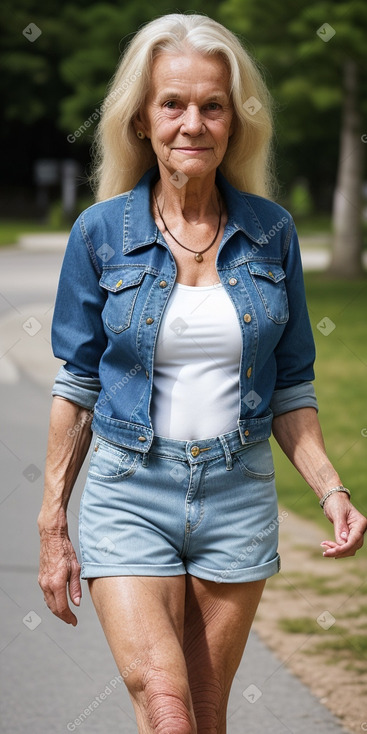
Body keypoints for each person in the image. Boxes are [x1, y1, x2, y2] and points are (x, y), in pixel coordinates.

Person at [37, 13, 366, 734]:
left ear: (233, 121)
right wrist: (53, 522)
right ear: (141, 121)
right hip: (129, 493)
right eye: (173, 104)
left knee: (208, 715)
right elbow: (78, 385)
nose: (193, 122)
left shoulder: (271, 232)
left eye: (211, 105)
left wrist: (329, 489)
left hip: (236, 495)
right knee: (166, 705)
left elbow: (291, 386)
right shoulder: (100, 234)